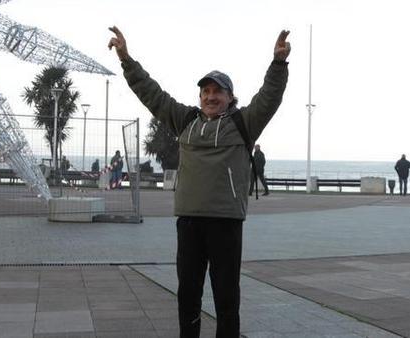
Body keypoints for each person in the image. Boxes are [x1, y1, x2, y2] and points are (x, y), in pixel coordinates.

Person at [109, 25, 290, 338]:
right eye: (205, 92)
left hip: (226, 223)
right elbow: (152, 94)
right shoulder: (186, 120)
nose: (210, 97)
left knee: (226, 298)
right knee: (188, 294)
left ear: (230, 97)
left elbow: (269, 97)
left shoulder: (243, 122)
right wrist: (126, 59)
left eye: (217, 92)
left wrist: (277, 65)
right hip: (189, 222)